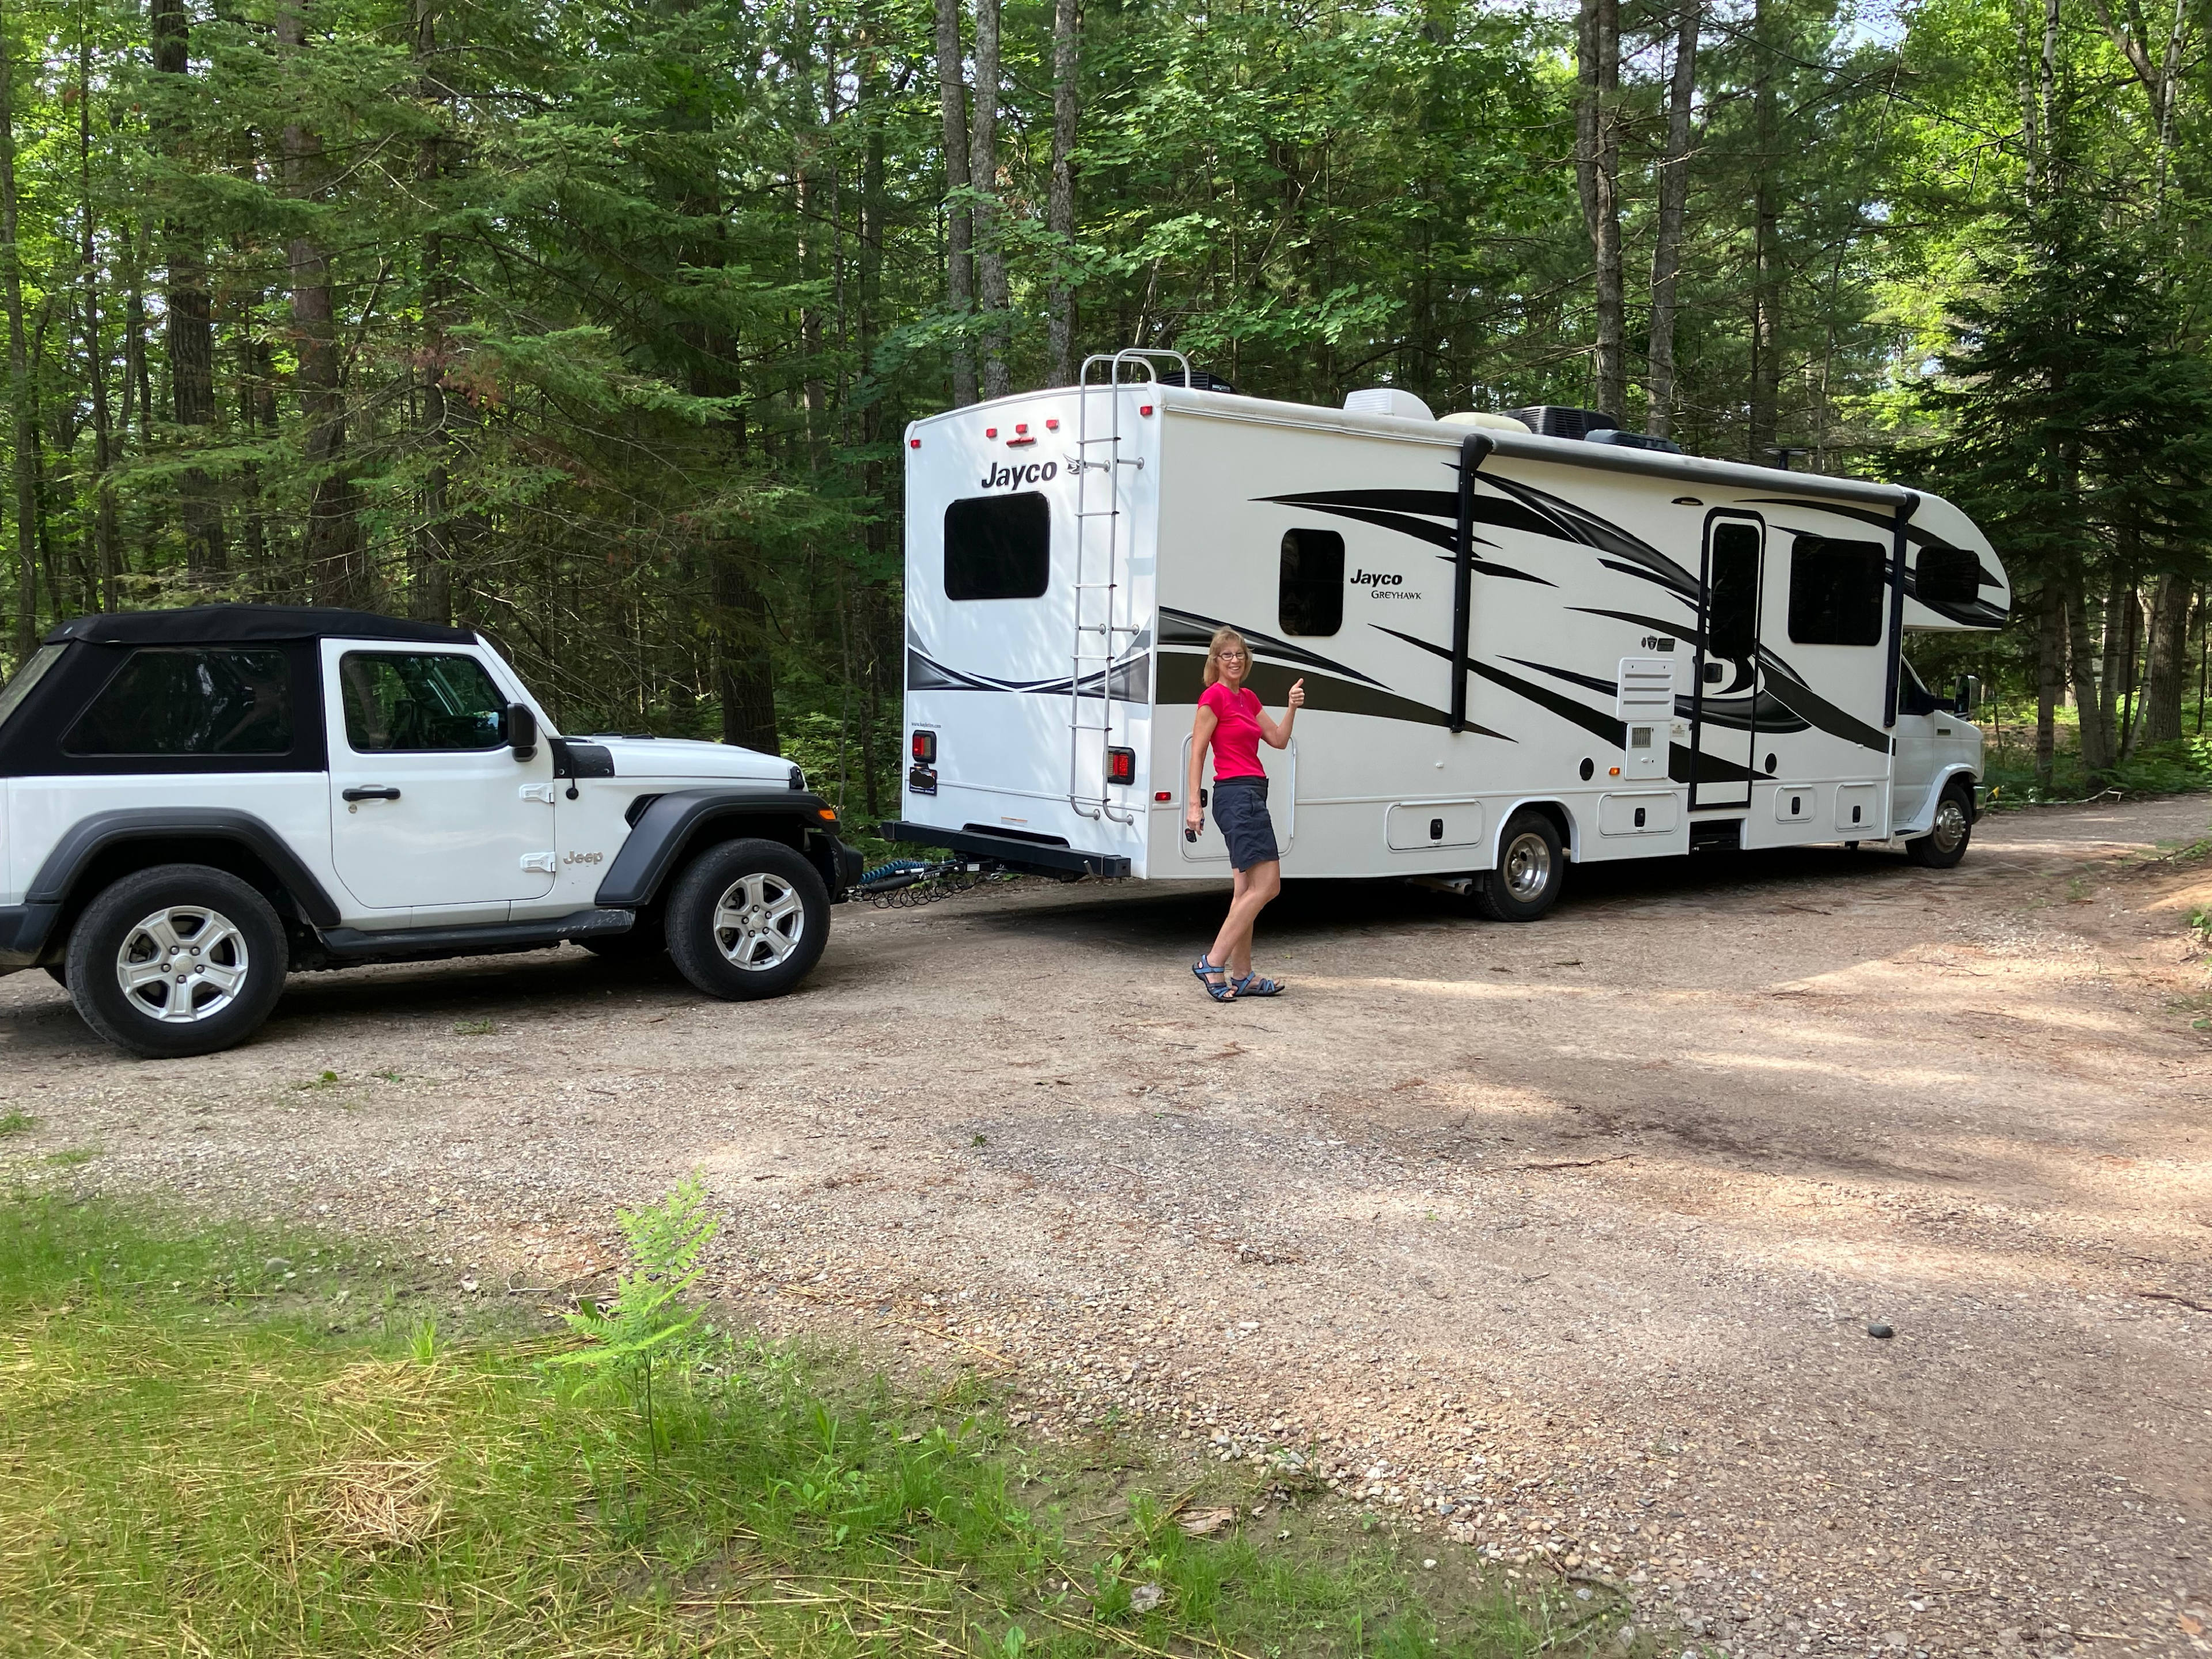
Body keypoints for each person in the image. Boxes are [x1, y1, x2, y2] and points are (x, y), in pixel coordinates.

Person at [1185, 627, 1303, 1001]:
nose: (1234, 660)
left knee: (1245, 890)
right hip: (1236, 797)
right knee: (1269, 886)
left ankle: (1243, 975)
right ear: (1215, 662)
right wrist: (1193, 803)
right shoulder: (1213, 698)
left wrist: (1292, 707)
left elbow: (1279, 741)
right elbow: (1198, 753)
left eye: (1239, 655)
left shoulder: (1247, 698)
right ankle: (1212, 961)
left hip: (1252, 793)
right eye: (1227, 655)